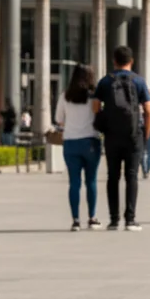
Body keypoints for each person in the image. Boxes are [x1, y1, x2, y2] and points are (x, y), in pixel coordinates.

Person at [95, 45, 150, 231]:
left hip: (112, 135)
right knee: (132, 176)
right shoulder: (139, 81)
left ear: (114, 61)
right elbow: (149, 110)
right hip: (134, 135)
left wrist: (103, 122)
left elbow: (95, 106)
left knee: (113, 176)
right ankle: (130, 219)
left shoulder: (105, 81)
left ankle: (113, 220)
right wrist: (145, 133)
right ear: (131, 61)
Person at [55, 65, 102, 231]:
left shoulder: (65, 96)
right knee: (91, 180)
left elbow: (59, 119)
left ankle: (75, 220)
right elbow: (99, 115)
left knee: (74, 182)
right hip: (90, 141)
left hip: (70, 142)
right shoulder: (94, 96)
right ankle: (92, 217)